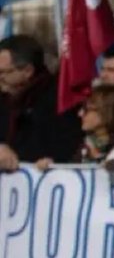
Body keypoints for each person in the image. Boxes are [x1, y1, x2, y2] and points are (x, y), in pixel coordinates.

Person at [0, 35, 83, 170]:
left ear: (27, 71)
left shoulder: (58, 98)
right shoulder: (5, 100)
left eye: (3, 72)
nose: (0, 78)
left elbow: (65, 146)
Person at [36, 84, 114, 168]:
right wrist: (50, 167)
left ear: (106, 113)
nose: (80, 113)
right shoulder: (74, 145)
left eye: (86, 109)